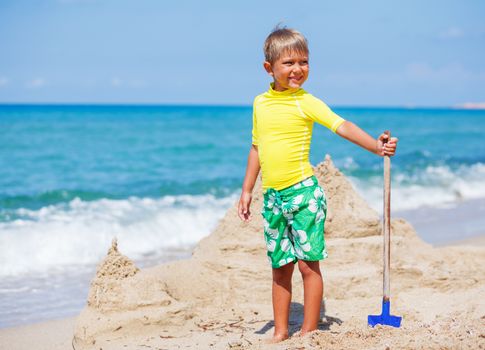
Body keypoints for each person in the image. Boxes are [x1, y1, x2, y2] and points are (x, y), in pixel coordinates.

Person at [237, 26, 398, 343]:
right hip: (272, 198)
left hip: (304, 194)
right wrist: (246, 190)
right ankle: (281, 332)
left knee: (308, 266)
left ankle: (309, 333)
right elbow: (257, 147)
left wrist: (376, 147)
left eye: (304, 62)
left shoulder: (306, 102)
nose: (297, 69)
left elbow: (342, 125)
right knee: (280, 268)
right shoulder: (260, 104)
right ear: (269, 68)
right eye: (289, 63)